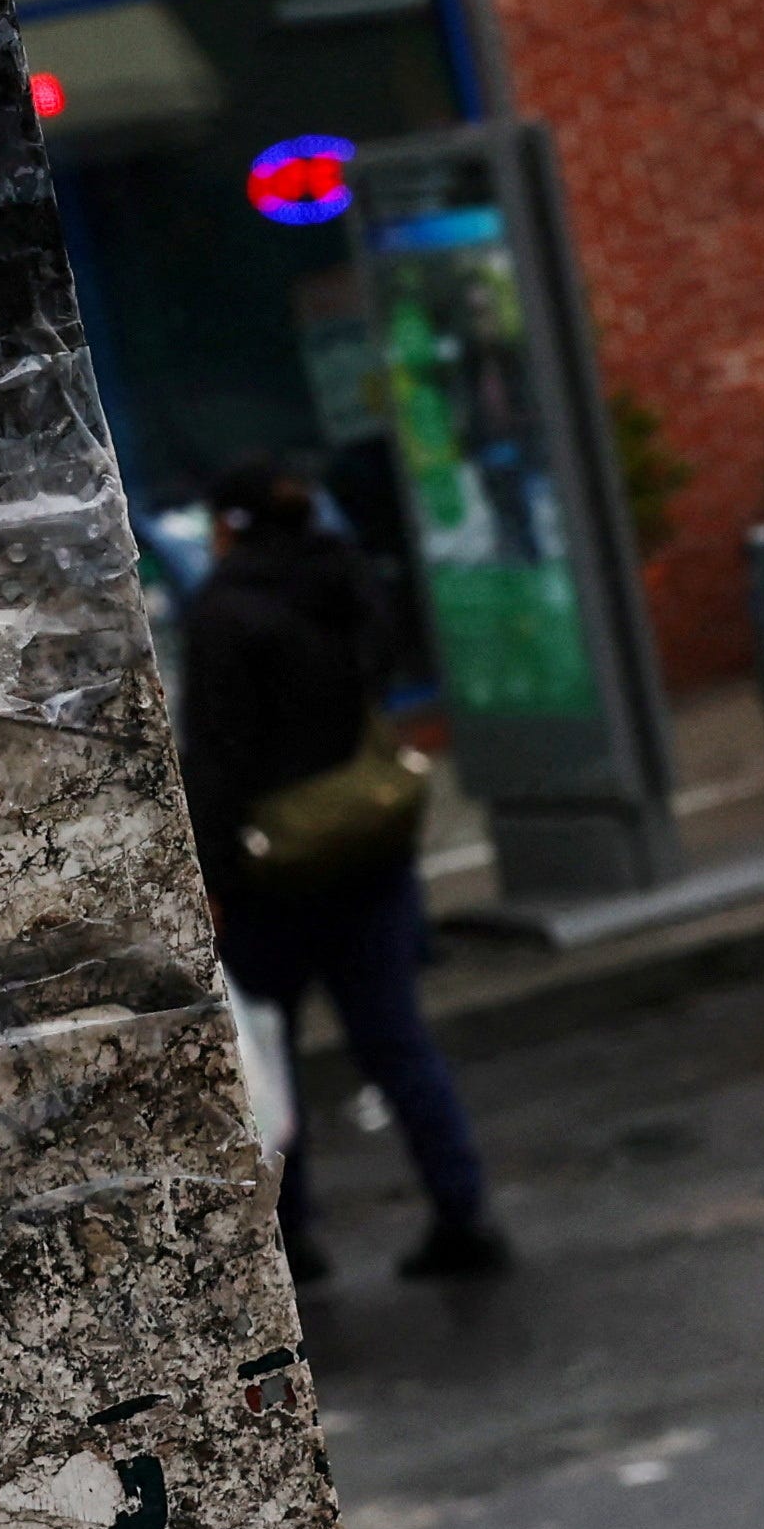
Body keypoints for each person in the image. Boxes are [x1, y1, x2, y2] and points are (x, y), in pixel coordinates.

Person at [178, 453, 507, 1285]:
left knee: (268, 1059)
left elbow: (215, 756)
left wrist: (209, 874)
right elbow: (382, 672)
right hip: (368, 844)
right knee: (395, 1040)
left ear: (229, 526)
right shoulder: (344, 576)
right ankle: (461, 1209)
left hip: (273, 870)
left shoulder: (224, 612)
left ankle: (291, 1242)